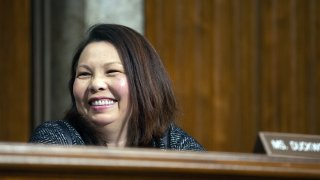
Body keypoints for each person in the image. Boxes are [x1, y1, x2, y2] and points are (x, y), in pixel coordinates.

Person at [29, 24, 205, 151]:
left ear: (145, 81)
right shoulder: (54, 138)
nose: (96, 84)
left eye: (112, 71)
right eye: (84, 74)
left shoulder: (177, 145)